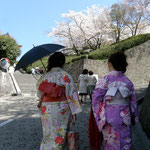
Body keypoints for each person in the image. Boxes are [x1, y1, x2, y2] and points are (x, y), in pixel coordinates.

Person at [89, 52, 138, 150]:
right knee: (125, 143)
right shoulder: (127, 81)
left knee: (111, 143)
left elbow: (95, 100)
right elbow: (133, 102)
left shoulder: (105, 80)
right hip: (125, 117)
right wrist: (134, 117)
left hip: (109, 117)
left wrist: (99, 117)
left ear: (110, 64)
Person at [37, 52, 82, 150]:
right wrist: (74, 112)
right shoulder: (66, 76)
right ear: (62, 63)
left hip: (46, 108)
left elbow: (39, 94)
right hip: (62, 109)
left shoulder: (44, 77)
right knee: (60, 134)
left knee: (48, 133)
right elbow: (72, 94)